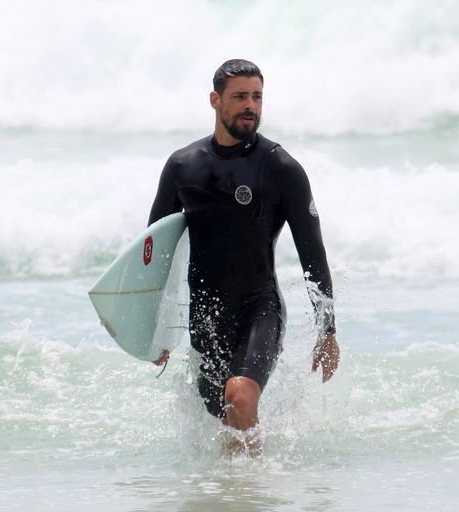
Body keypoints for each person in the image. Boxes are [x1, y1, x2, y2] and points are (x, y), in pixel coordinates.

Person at [147, 59, 339, 446]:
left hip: (260, 308)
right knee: (220, 421)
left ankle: (246, 493)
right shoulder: (183, 166)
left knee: (240, 395)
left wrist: (328, 329)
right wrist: (149, 328)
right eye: (240, 97)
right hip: (206, 314)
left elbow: (311, 252)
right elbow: (154, 253)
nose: (251, 106)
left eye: (257, 97)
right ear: (215, 100)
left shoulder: (281, 168)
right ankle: (235, 494)